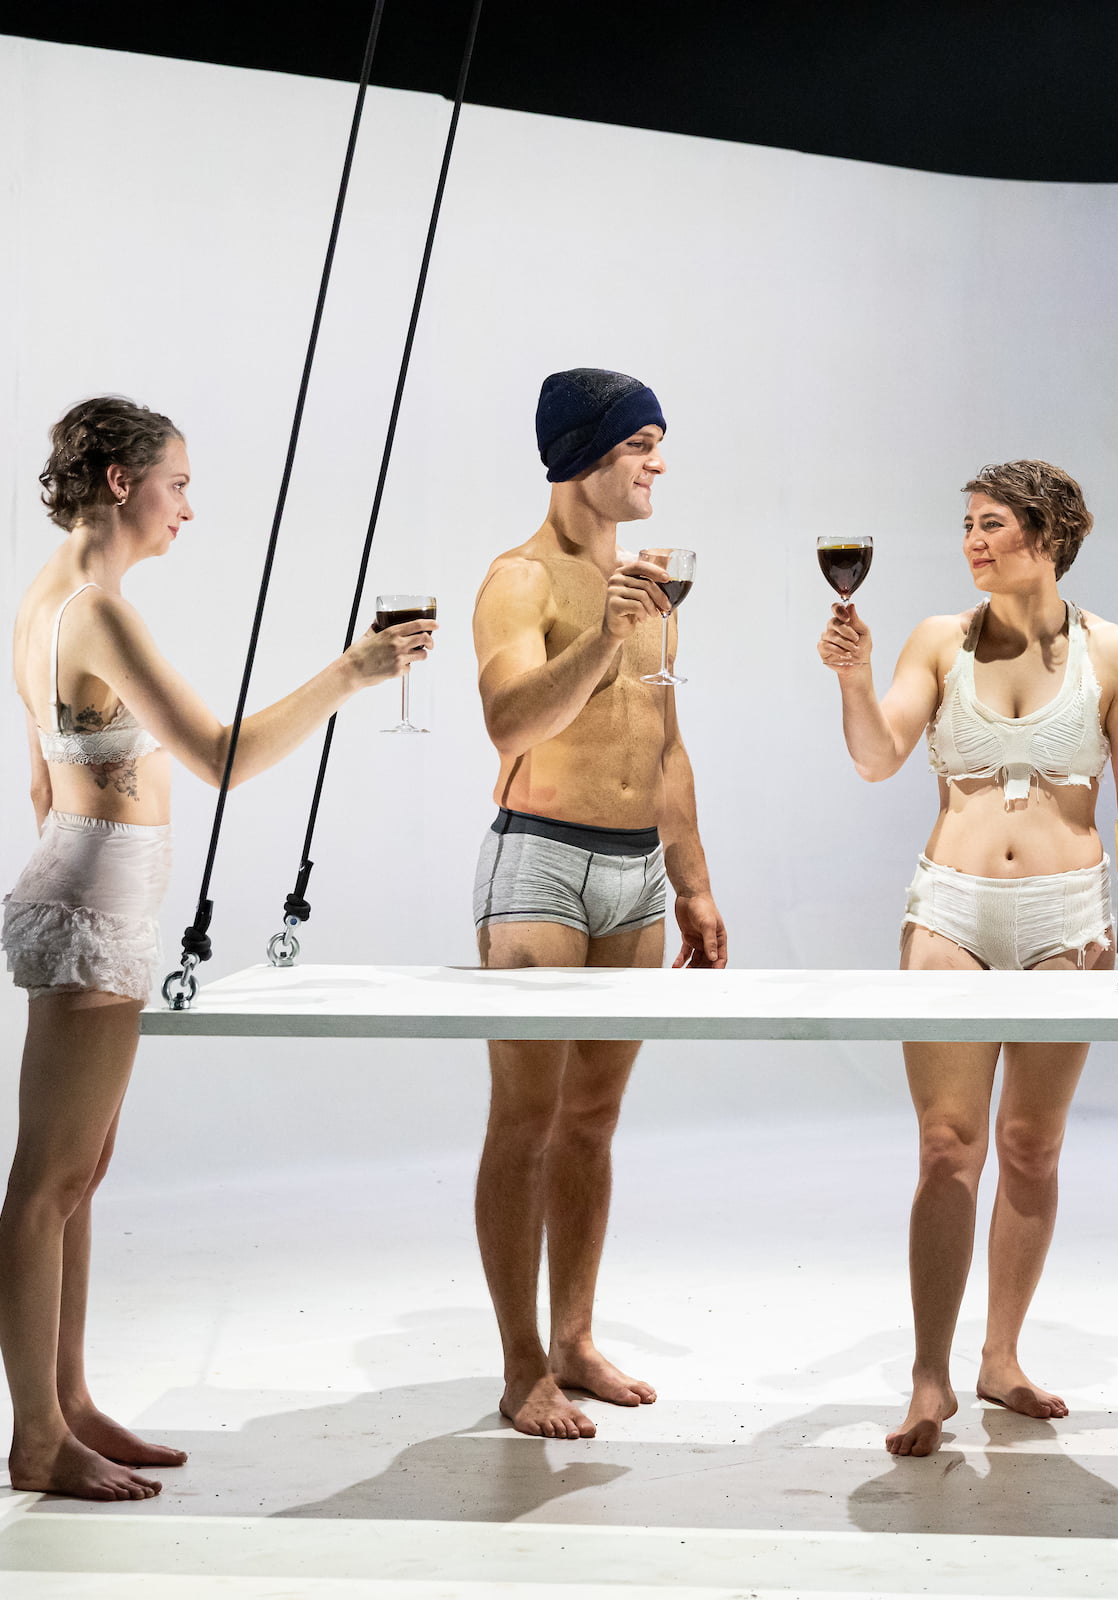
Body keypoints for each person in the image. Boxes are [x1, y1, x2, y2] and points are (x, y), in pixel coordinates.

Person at [0, 397, 432, 1500]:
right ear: (116, 481)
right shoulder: (95, 609)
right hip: (96, 900)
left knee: (79, 1173)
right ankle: (37, 1437)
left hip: (93, 886)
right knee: (49, 1180)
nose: (190, 505)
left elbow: (42, 777)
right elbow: (222, 759)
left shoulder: (49, 599)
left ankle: (71, 1401)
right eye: (177, 483)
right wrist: (351, 675)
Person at [817, 460, 1118, 1457]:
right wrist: (851, 675)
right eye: (967, 525)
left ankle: (1000, 1357)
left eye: (994, 524)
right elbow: (877, 756)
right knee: (946, 1143)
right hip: (952, 908)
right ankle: (930, 1373)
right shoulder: (939, 641)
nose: (974, 542)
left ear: (1049, 534)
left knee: (1030, 1146)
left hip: (1070, 916)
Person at [469, 368, 728, 1440]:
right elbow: (510, 724)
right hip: (540, 863)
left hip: (634, 876)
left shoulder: (653, 584)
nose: (659, 463)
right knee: (524, 1121)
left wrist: (695, 879)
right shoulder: (519, 579)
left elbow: (663, 745)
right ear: (585, 453)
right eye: (642, 445)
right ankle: (521, 1361)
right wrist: (608, 636)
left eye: (660, 444)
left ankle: (574, 1336)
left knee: (593, 1120)